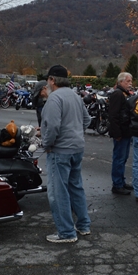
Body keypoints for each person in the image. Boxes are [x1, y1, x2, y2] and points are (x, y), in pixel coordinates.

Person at [41, 64, 91, 243]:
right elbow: (87, 119)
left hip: (60, 150)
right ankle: (83, 225)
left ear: (52, 80)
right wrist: (75, 132)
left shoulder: (54, 99)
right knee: (75, 186)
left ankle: (66, 233)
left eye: (48, 80)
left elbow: (53, 127)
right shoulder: (75, 96)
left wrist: (46, 143)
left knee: (58, 192)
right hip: (77, 147)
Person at [108, 72, 134, 195]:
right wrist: (117, 133)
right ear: (121, 82)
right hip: (121, 133)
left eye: (131, 81)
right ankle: (117, 184)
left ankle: (121, 181)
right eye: (128, 81)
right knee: (119, 158)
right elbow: (113, 116)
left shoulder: (124, 94)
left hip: (126, 132)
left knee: (123, 158)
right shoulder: (117, 94)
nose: (130, 84)